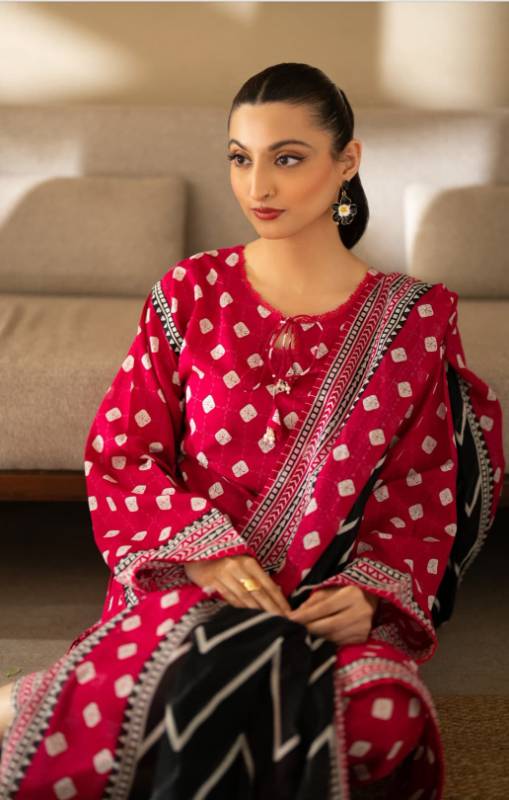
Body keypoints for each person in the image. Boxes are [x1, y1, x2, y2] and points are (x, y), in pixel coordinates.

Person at [0, 62, 504, 800]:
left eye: (287, 159)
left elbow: (422, 491)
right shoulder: (189, 292)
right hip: (193, 587)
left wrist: (370, 594)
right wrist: (203, 557)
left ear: (347, 160)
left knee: (383, 722)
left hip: (320, 608)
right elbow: (122, 453)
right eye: (240, 158)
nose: (257, 187)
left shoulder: (412, 319)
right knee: (200, 686)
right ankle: (84, 689)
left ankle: (54, 697)